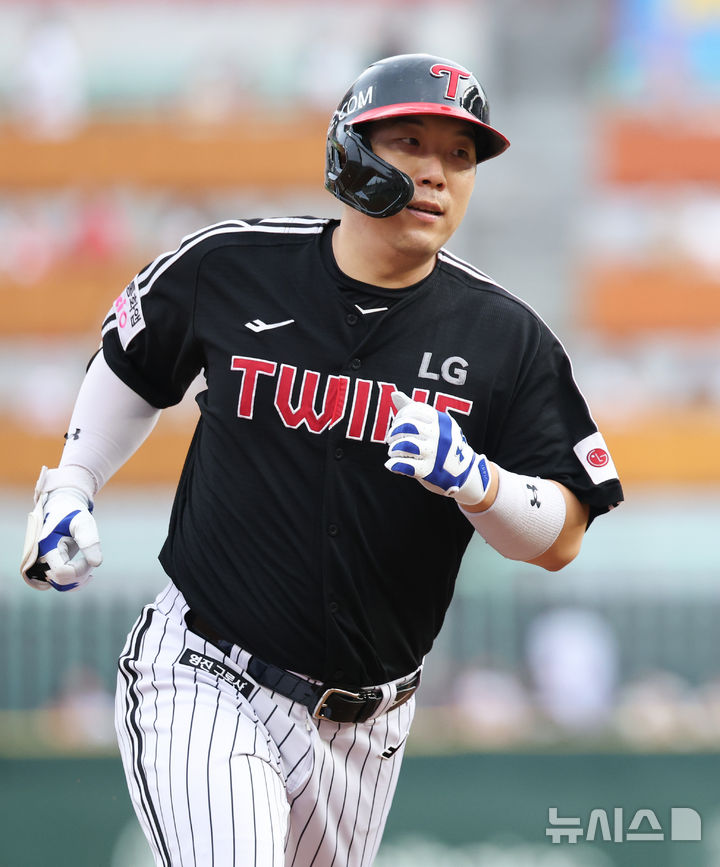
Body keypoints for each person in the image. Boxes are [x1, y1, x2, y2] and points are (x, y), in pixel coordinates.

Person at [20, 53, 623, 866]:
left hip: (367, 732)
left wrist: (480, 483)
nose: (438, 173)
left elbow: (564, 533)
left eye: (460, 154)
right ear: (351, 152)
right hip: (204, 668)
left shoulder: (505, 338)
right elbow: (133, 363)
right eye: (411, 142)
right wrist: (73, 481)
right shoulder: (234, 265)